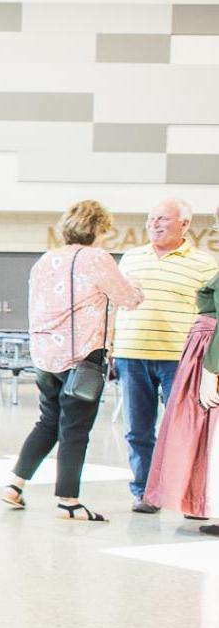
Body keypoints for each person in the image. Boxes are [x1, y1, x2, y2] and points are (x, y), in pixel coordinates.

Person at [3, 200, 144, 522]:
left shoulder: (45, 259)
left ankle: (15, 484)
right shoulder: (96, 258)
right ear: (97, 227)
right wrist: (135, 281)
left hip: (45, 356)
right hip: (81, 357)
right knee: (75, 428)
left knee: (48, 421)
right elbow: (129, 299)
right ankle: (68, 501)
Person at [111, 200, 217, 513]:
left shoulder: (204, 263)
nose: (155, 224)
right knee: (138, 430)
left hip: (179, 360)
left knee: (186, 431)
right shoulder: (131, 257)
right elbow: (118, 303)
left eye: (163, 219)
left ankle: (187, 496)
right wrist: (112, 348)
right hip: (132, 355)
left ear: (185, 224)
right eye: (151, 218)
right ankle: (145, 492)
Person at [143, 226, 219, 523]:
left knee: (208, 435)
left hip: (209, 351)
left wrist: (210, 371)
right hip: (203, 348)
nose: (215, 230)